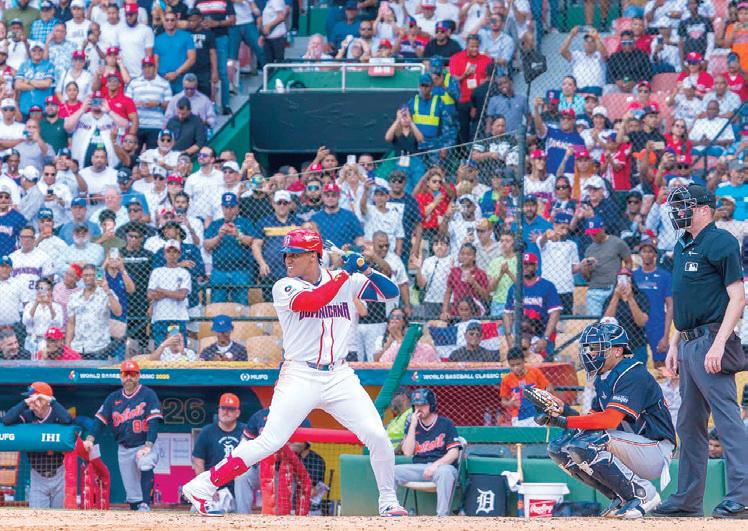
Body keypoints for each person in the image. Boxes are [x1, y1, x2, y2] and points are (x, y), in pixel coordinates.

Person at [181, 228, 408, 517]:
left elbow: (390, 293)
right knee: (270, 441)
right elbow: (313, 301)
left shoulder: (345, 279)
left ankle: (388, 501)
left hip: (339, 375)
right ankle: (201, 486)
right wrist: (346, 273)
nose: (288, 259)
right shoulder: (285, 286)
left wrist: (363, 267)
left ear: (313, 256)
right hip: (300, 374)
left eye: (295, 254)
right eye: (287, 254)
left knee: (377, 435)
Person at [654, 185, 747, 519]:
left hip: (711, 339)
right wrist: (674, 343)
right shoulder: (682, 244)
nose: (678, 213)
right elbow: (686, 300)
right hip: (688, 342)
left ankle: (743, 496)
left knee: (726, 420)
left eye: (685, 206)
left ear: (705, 209)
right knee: (689, 423)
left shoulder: (721, 241)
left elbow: (738, 297)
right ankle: (687, 500)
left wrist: (719, 343)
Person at [542, 322, 676, 519]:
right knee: (560, 448)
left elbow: (610, 420)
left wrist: (564, 421)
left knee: (588, 442)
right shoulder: (604, 377)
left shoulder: (633, 373)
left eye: (597, 347)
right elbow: (592, 419)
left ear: (617, 351)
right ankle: (621, 496)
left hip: (655, 450)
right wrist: (563, 412)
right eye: (590, 348)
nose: (591, 353)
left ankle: (643, 494)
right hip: (630, 447)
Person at [83, 360, 162, 512]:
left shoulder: (148, 394)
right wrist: (90, 439)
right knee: (132, 496)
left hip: (144, 444)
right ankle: (137, 511)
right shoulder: (113, 398)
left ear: (138, 376)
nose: (129, 378)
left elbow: (153, 422)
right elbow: (100, 420)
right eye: (126, 374)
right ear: (121, 377)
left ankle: (146, 504)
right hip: (124, 448)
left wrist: (148, 446)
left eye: (133, 374)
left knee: (145, 462)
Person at [1, 381, 72, 508]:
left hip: (59, 474)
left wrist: (50, 400)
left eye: (35, 399)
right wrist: (25, 403)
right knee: (36, 514)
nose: (32, 402)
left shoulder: (56, 413)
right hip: (37, 475)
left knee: (61, 514)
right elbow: (6, 420)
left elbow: (68, 420)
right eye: (30, 399)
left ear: (45, 401)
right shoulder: (28, 415)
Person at [394, 388, 461, 517]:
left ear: (432, 405)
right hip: (419, 468)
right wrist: (412, 426)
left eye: (423, 405)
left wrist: (435, 466)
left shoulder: (446, 424)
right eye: (416, 405)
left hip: (442, 468)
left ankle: (442, 517)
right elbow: (407, 452)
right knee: (392, 471)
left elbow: (454, 453)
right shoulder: (412, 425)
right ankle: (391, 509)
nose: (419, 408)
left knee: (445, 472)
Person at [192, 393, 245, 513]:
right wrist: (207, 487)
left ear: (237, 413)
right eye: (223, 408)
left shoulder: (245, 431)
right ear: (218, 410)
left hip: (237, 490)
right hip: (213, 486)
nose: (226, 412)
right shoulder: (207, 431)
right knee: (194, 511)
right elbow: (198, 461)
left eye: (230, 409)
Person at [504, 252, 562, 357]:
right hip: (522, 336)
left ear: (536, 266)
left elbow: (555, 313)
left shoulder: (547, 286)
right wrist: (509, 337)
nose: (526, 267)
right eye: (524, 264)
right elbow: (508, 313)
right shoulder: (514, 288)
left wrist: (545, 338)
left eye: (530, 264)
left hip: (542, 333)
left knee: (544, 364)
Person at [204, 192, 255, 305]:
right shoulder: (215, 224)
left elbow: (251, 242)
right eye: (226, 207)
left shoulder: (244, 222)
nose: (229, 210)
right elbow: (207, 245)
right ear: (222, 208)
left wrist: (238, 234)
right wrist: (219, 236)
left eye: (232, 207)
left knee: (241, 305)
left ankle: (241, 318)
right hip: (219, 270)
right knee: (217, 304)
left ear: (237, 208)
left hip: (240, 271)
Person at [580, 216, 633, 316]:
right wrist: (585, 267)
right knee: (594, 321)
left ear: (603, 229)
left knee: (612, 320)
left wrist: (624, 276)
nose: (593, 236)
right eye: (591, 233)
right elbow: (587, 278)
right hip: (594, 289)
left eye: (595, 233)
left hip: (612, 288)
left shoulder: (617, 243)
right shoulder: (589, 249)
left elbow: (628, 262)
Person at [66, 263, 121, 359]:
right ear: (82, 277)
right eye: (86, 275)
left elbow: (118, 312)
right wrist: (67, 346)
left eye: (92, 275)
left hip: (99, 347)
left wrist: (107, 290)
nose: (88, 278)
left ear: (97, 276)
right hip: (78, 347)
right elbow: (71, 323)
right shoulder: (74, 297)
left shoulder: (106, 294)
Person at [632, 238, 673, 367]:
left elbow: (670, 305)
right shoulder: (633, 276)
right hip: (636, 327)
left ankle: (663, 382)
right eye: (644, 251)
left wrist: (666, 335)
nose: (647, 254)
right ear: (640, 254)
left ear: (655, 254)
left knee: (661, 363)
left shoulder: (665, 276)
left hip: (657, 325)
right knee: (636, 364)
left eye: (650, 251)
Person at [602, 268, 650, 364]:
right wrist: (616, 296)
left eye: (627, 277)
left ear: (631, 280)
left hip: (637, 344)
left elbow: (641, 322)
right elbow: (606, 322)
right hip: (615, 346)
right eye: (620, 278)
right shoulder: (610, 299)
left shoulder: (641, 296)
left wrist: (630, 298)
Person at [499, 346, 552, 426]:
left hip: (537, 412)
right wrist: (510, 403)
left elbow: (549, 388)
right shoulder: (507, 379)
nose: (516, 368)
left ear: (524, 361)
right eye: (512, 365)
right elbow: (503, 401)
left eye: (518, 364)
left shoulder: (535, 372)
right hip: (518, 416)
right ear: (509, 364)